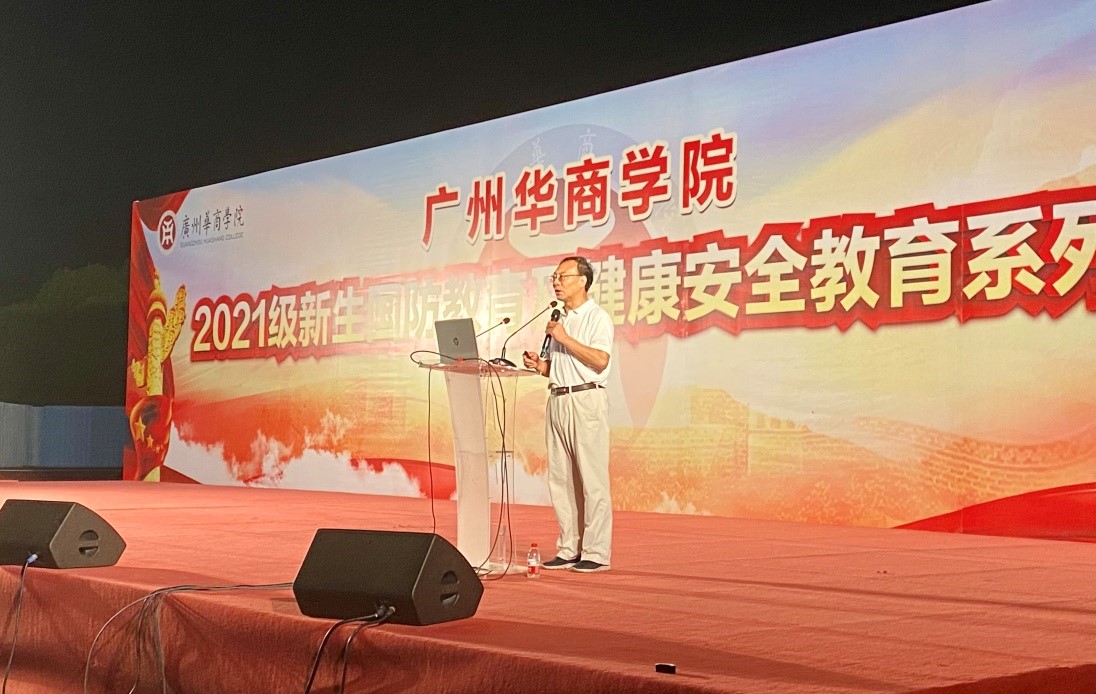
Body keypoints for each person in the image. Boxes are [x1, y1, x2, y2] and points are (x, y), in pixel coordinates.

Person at [523, 256, 614, 573]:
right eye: (554, 277)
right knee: (561, 479)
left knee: (592, 479)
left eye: (563, 276)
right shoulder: (559, 318)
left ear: (583, 280)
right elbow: (560, 367)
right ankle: (568, 547)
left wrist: (564, 338)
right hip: (558, 398)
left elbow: (600, 360)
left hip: (586, 399)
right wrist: (540, 366)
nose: (556, 282)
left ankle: (596, 552)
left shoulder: (597, 317)